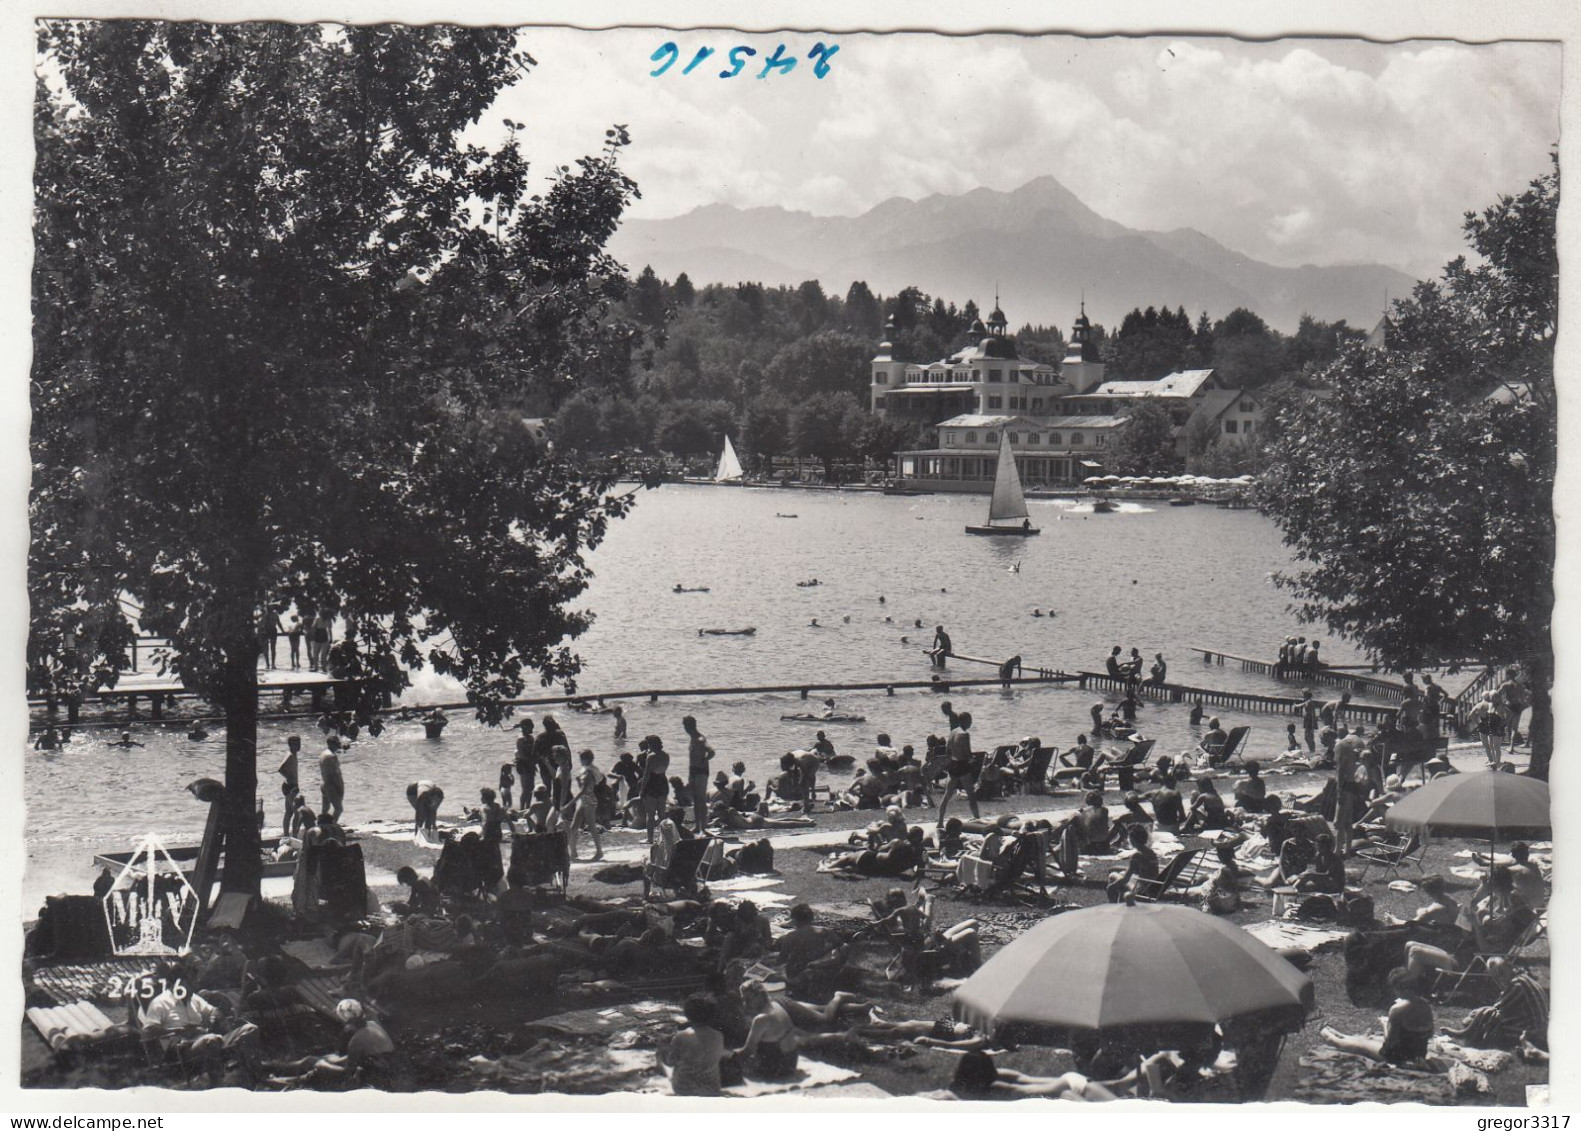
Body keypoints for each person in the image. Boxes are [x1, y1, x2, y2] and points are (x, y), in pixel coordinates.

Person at [1321, 970, 1434, 1065]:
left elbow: (1390, 1043)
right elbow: (1430, 1034)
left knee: (1362, 1044)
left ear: (1399, 989)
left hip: (1399, 1059)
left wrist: (1385, 1024)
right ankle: (1341, 1035)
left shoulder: (1398, 1009)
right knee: (1368, 1039)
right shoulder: (1426, 1005)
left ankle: (1327, 1034)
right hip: (1419, 1055)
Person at [946, 1049, 1116, 1100]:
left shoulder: (996, 1088)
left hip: (1071, 1086)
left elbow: (1016, 1087)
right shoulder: (995, 1080)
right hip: (1068, 1082)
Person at [658, 994, 726, 1096]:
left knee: (661, 1056)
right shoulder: (718, 1035)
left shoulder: (681, 1036)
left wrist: (662, 1048)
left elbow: (670, 1062)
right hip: (712, 1088)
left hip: (685, 1088)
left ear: (687, 1014)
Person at [735, 981, 800, 1078]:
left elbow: (748, 1051)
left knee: (730, 1064)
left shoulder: (761, 1019)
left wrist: (731, 1055)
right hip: (792, 1061)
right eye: (744, 1000)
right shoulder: (776, 1005)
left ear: (760, 996)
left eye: (748, 1000)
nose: (745, 1004)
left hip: (778, 1067)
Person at [937, 710, 980, 825]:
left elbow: (948, 751)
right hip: (962, 765)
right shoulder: (964, 734)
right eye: (969, 721)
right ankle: (977, 818)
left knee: (947, 794)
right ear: (964, 721)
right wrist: (973, 759)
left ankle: (940, 821)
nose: (971, 723)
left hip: (953, 764)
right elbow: (967, 753)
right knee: (971, 794)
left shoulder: (953, 732)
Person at [567, 749, 605, 861]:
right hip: (585, 800)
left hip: (588, 800)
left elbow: (583, 790)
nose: (580, 761)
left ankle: (599, 852)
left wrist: (570, 803)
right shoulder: (589, 770)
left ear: (585, 759)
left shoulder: (589, 772)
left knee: (592, 826)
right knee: (574, 826)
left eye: (581, 758)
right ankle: (573, 853)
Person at [1107, 825, 1160, 902]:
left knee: (1112, 875)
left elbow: (1125, 879)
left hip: (1141, 889)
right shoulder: (1151, 852)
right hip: (1153, 886)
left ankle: (1114, 904)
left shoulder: (1137, 855)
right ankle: (1121, 901)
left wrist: (1111, 886)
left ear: (1133, 839)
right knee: (1121, 874)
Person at [682, 715, 714, 833]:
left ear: (689, 726)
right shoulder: (693, 738)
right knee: (695, 799)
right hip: (693, 770)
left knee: (700, 799)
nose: (684, 728)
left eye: (685, 725)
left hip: (701, 771)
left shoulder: (700, 739)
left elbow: (711, 751)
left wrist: (704, 760)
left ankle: (703, 827)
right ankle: (698, 825)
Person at [636, 736, 670, 843]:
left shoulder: (650, 756)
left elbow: (646, 775)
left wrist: (641, 790)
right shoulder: (666, 755)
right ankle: (665, 837)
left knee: (650, 814)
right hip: (663, 781)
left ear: (651, 744)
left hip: (652, 783)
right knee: (662, 813)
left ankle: (650, 838)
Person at [278, 735, 302, 836]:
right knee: (297, 813)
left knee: (289, 812)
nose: (299, 745)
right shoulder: (291, 755)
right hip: (291, 786)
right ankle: (294, 835)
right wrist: (289, 778)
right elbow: (280, 768)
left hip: (289, 786)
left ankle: (286, 834)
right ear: (291, 745)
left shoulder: (293, 754)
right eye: (297, 743)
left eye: (300, 743)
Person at [318, 734, 345, 821]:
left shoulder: (323, 753)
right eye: (336, 743)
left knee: (325, 809)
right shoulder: (332, 756)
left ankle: (322, 825)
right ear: (332, 744)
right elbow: (335, 775)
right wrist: (340, 789)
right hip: (331, 785)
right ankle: (332, 826)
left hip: (324, 783)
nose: (338, 745)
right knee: (339, 809)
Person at [258, 604, 282, 670]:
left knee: (272, 648)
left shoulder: (274, 614)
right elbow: (259, 622)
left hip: (272, 631)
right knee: (266, 649)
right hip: (265, 632)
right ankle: (268, 664)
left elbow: (279, 623)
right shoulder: (263, 614)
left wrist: (282, 630)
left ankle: (273, 664)